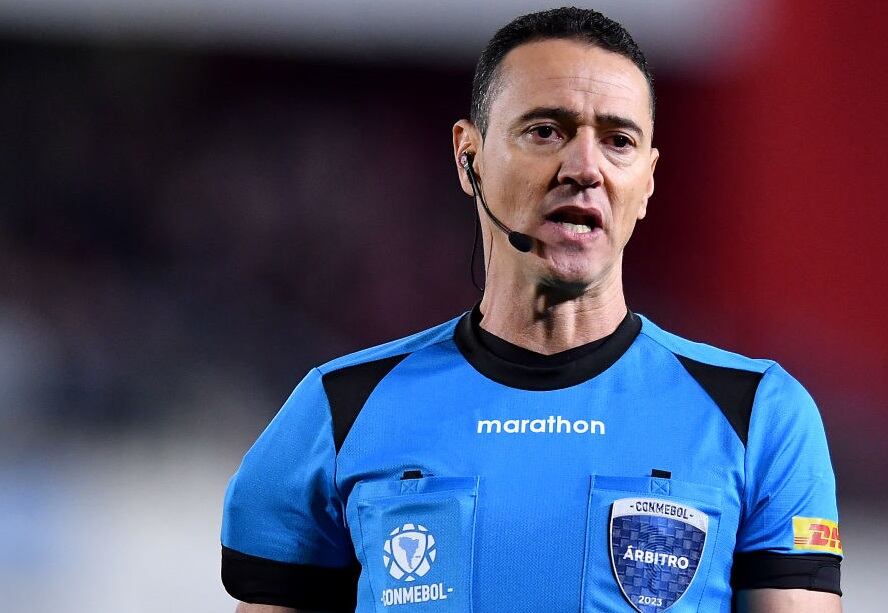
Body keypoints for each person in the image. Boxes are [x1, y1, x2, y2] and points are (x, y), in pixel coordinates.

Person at [220, 7, 843, 612]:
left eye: (619, 141)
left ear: (649, 180)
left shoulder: (758, 417)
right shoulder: (338, 414)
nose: (585, 168)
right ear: (469, 157)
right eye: (547, 131)